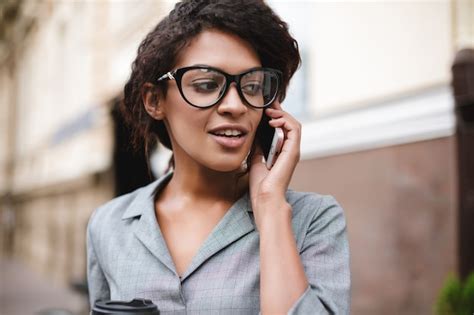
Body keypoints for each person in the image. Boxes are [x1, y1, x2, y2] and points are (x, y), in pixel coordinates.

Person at [86, 0, 351, 314]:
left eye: (253, 86)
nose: (236, 106)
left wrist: (270, 210)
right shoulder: (109, 225)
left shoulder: (314, 221)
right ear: (155, 100)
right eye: (207, 84)